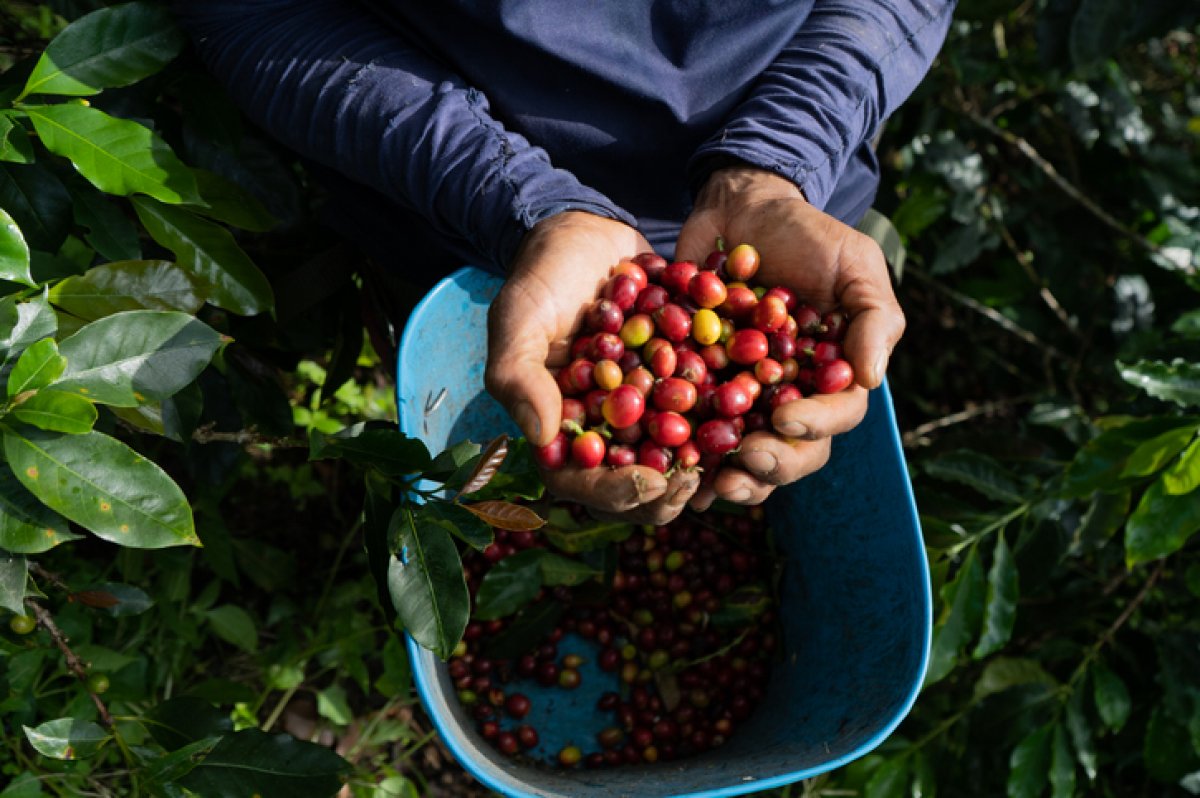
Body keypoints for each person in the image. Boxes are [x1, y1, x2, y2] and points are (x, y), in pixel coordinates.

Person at [175, 1, 956, 523]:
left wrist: (778, 162)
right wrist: (517, 199)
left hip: (790, 212)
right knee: (493, 480)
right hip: (458, 213)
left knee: (741, 469)